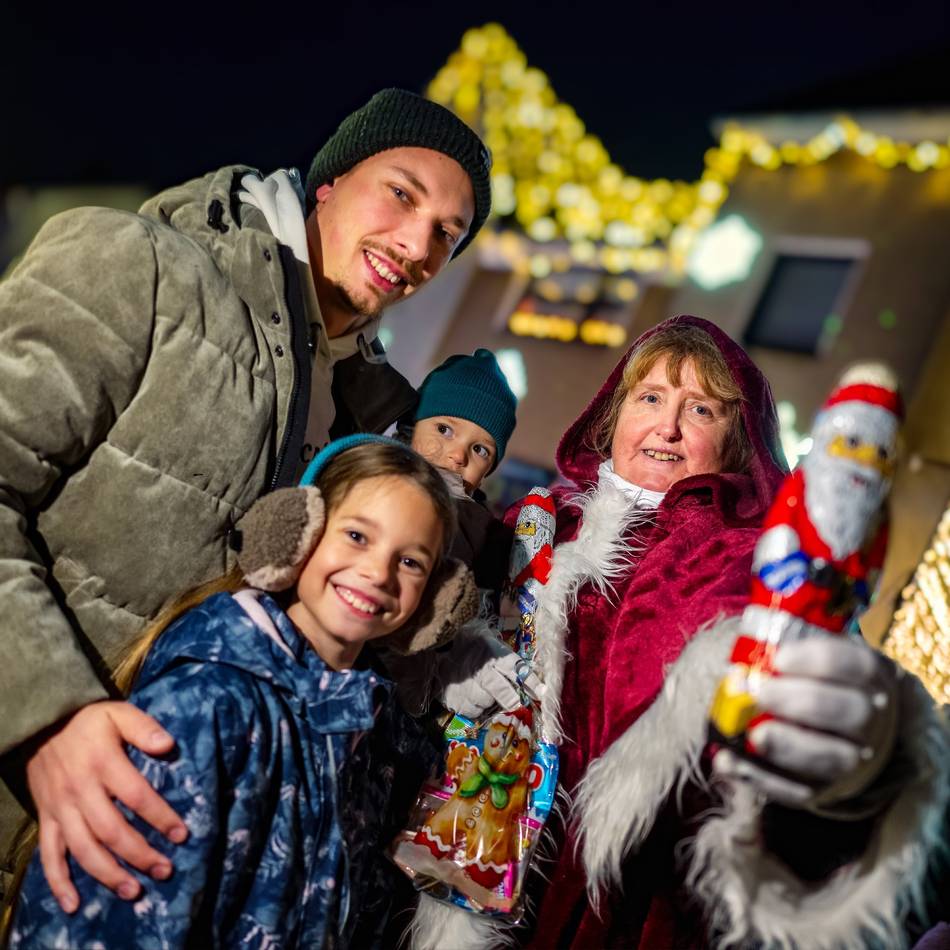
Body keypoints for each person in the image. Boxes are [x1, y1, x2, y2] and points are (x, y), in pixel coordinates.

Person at [0, 88, 492, 911]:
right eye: (402, 194)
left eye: (448, 234)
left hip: (165, 862)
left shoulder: (368, 411)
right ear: (328, 182)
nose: (417, 245)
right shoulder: (140, 265)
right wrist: (48, 718)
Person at [411, 315, 949, 949]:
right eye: (650, 398)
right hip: (467, 870)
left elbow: (832, 728)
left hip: (637, 905)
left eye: (700, 409)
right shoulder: (535, 526)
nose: (666, 427)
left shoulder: (761, 561)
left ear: (740, 437)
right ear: (612, 417)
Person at [7, 436, 478, 947]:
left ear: (434, 599)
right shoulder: (206, 707)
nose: (378, 572)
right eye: (357, 536)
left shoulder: (369, 720)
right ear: (296, 531)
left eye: (411, 562)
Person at [406, 348, 517, 589]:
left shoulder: (485, 537)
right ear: (413, 425)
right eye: (444, 430)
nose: (457, 456)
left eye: (480, 450)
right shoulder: (369, 475)